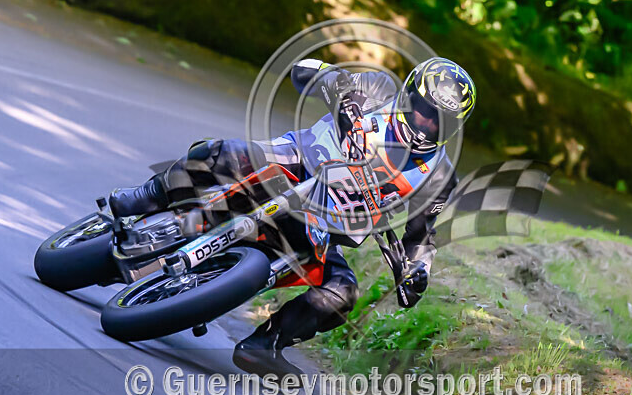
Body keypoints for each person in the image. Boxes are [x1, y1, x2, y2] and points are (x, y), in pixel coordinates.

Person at [109, 57, 477, 375]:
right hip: (295, 164)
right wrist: (342, 96)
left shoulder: (440, 177)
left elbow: (421, 236)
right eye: (425, 112)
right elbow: (307, 71)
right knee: (223, 153)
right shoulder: (377, 87)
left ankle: (265, 345)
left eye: (440, 123)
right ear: (408, 95)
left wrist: (417, 273)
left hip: (325, 225)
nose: (428, 125)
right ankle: (146, 196)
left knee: (342, 292)